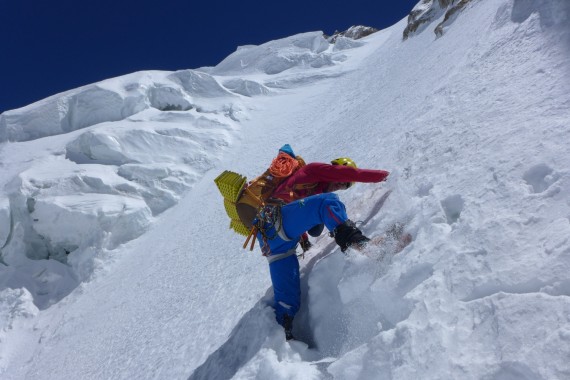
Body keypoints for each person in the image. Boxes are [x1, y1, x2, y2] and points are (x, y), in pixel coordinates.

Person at [252, 155, 389, 340]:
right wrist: (383, 176)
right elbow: (355, 174)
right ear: (337, 169)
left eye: (347, 186)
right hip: (273, 222)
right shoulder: (315, 169)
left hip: (273, 241)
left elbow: (294, 211)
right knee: (327, 202)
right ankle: (359, 242)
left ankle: (283, 337)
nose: (343, 185)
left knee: (288, 301)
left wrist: (305, 239)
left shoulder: (307, 189)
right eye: (344, 180)